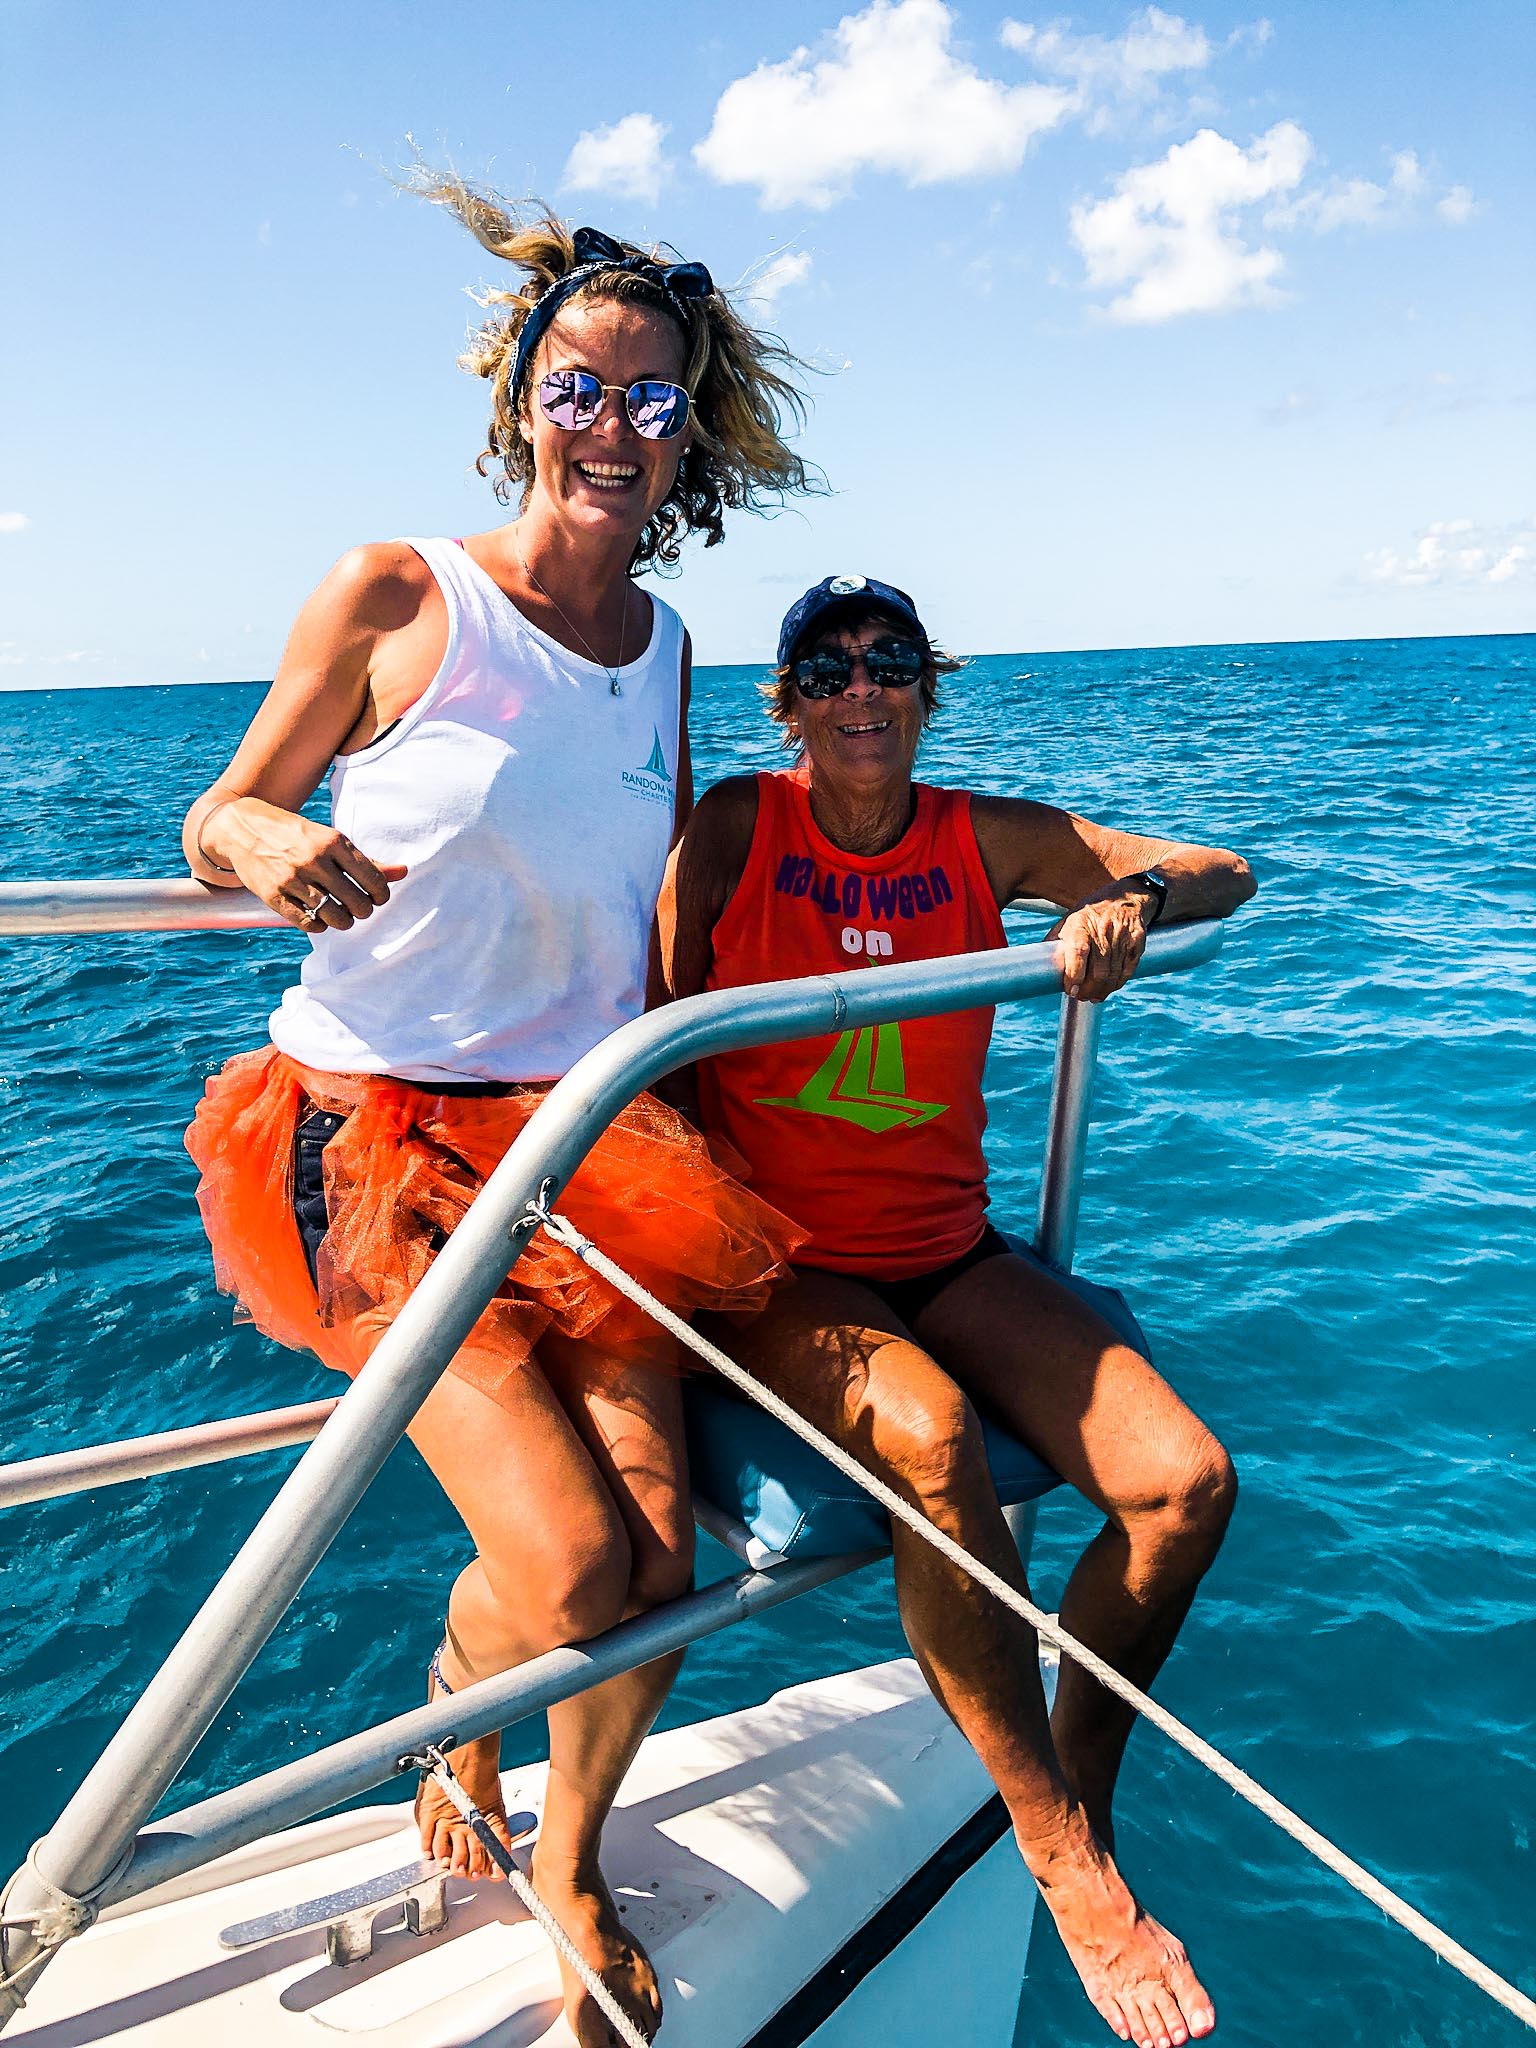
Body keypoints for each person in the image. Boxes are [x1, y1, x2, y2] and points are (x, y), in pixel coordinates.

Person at [181, 190, 815, 2048]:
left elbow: (656, 907)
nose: (611, 427)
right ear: (522, 397)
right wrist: (275, 838)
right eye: (581, 388)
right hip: (377, 1145)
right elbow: (218, 816)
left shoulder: (674, 645)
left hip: (587, 1144)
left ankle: (567, 1851)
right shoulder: (400, 592)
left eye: (652, 402)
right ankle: (457, 1711)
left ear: (691, 435)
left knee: (665, 1564)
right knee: (561, 1570)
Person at [660, 574, 1257, 2048]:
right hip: (785, 1267)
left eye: (891, 661)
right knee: (926, 1431)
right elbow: (654, 1032)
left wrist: (1132, 899)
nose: (861, 687)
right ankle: (1056, 1850)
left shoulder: (978, 836)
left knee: (1185, 1487)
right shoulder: (739, 826)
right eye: (827, 665)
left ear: (929, 689)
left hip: (946, 1245)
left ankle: (1073, 1780)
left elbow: (1221, 867)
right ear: (786, 697)